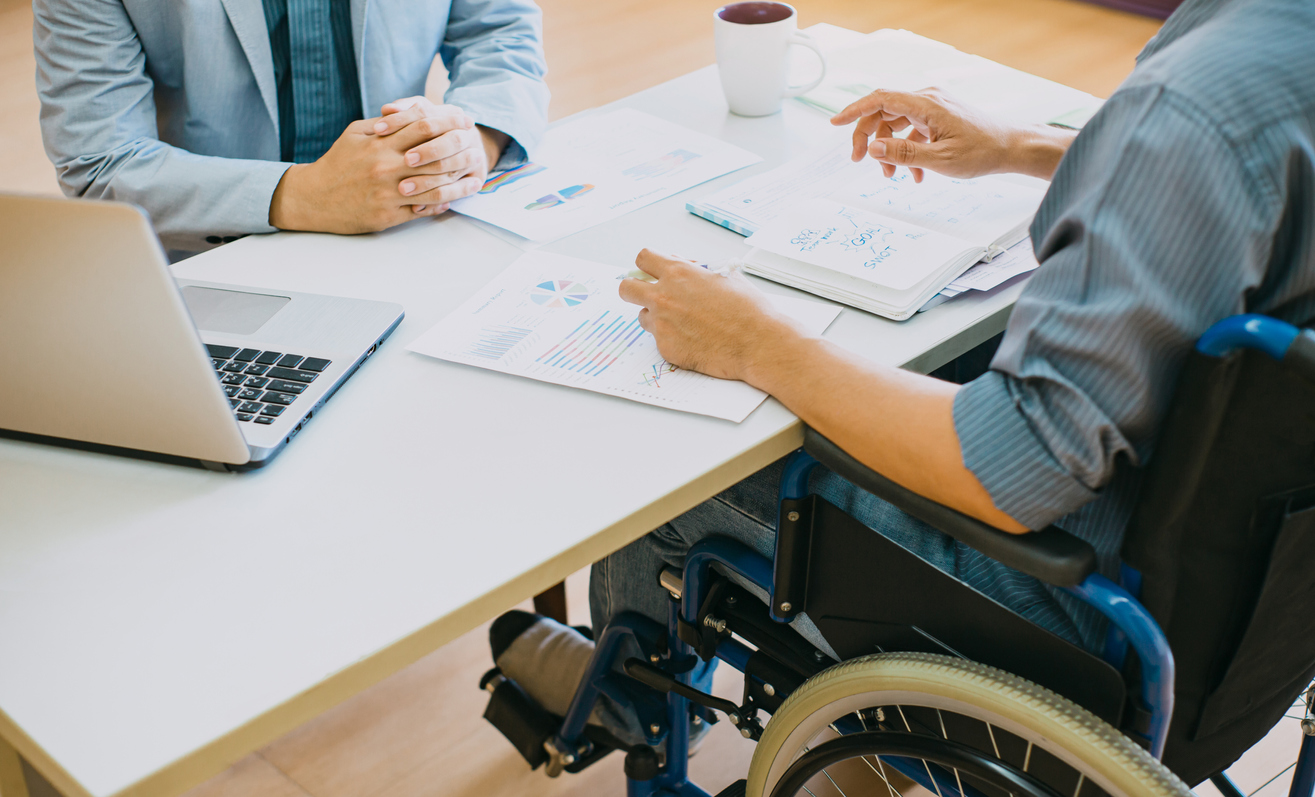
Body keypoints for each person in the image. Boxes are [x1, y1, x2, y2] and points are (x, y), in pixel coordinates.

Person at [486, 0, 1315, 750]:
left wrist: (756, 344)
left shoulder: (1192, 109)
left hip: (1073, 626)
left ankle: (626, 704)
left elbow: (1009, 469)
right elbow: (1242, 181)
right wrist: (1023, 148)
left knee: (688, 445)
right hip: (1256, 619)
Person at [33, 0, 549, 259]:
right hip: (214, 257)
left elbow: (498, 30)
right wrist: (305, 196)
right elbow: (99, 161)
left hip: (412, 231)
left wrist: (471, 144)